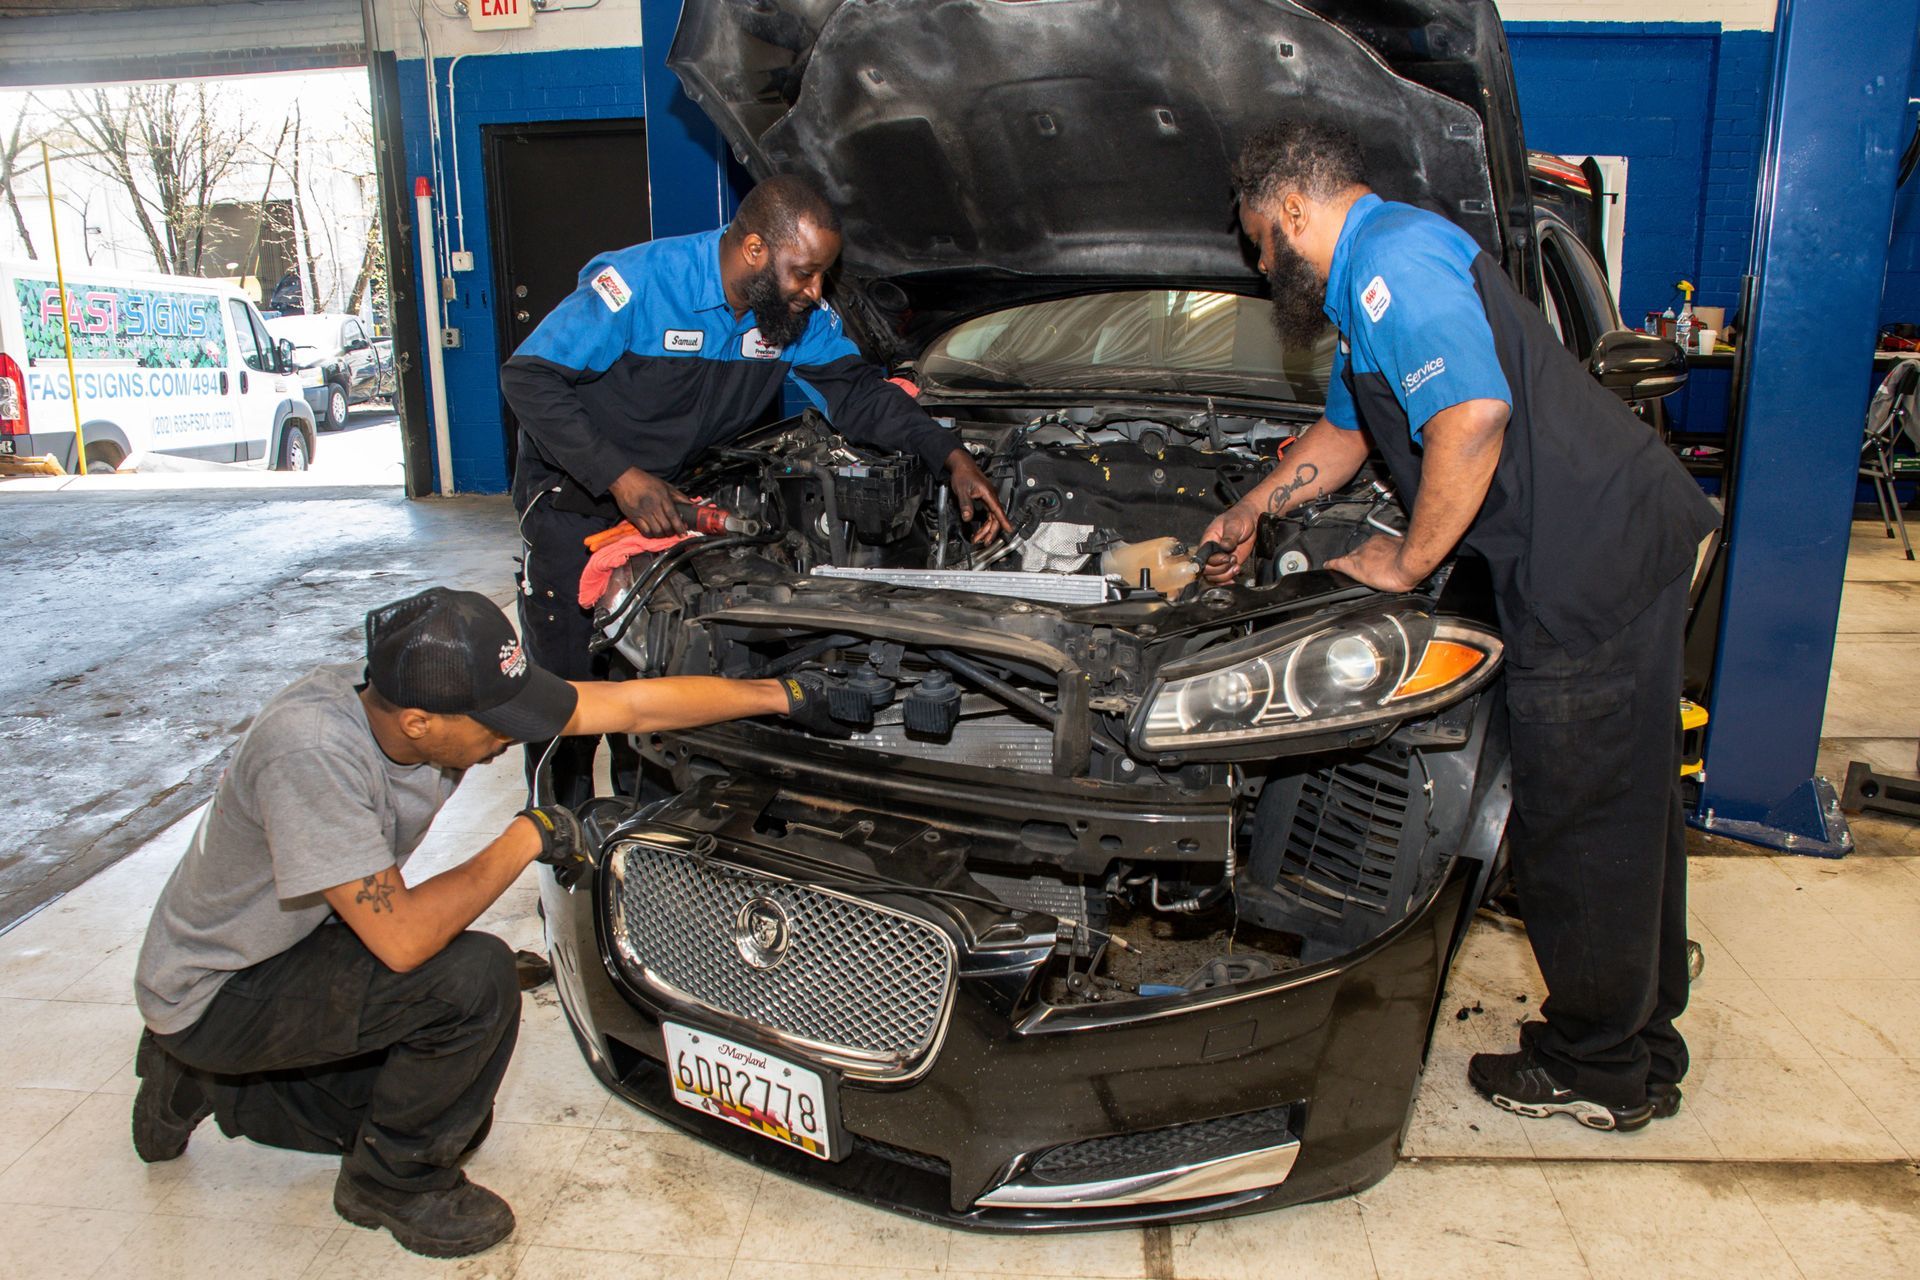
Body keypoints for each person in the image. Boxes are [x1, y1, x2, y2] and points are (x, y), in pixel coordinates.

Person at [1199, 120, 1719, 1132]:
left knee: (1579, 820)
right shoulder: (1369, 283)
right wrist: (1257, 507)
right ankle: (1644, 1039)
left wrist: (1404, 559)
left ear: (1295, 209)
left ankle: (1598, 1066)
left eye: (1261, 240)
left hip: (1589, 565)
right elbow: (1349, 431)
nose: (1263, 267)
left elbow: (1472, 417)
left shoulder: (1392, 260)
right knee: (1629, 807)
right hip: (1610, 544)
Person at [130, 587, 844, 1258]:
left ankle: (202, 1082)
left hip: (295, 941)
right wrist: (530, 832)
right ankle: (388, 1183)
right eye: (496, 727)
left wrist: (781, 695)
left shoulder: (425, 698)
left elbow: (628, 706)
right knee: (470, 982)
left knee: (437, 1098)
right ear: (418, 723)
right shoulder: (313, 750)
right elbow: (405, 939)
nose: (510, 739)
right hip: (222, 986)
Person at [501, 174, 1012, 807]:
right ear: (752, 251)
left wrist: (950, 454)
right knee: (567, 702)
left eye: (822, 274)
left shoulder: (790, 317)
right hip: (573, 509)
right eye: (803, 273)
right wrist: (619, 477)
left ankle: (644, 836)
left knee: (658, 685)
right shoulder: (638, 286)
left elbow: (857, 394)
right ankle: (566, 845)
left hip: (674, 512)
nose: (814, 290)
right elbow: (528, 379)